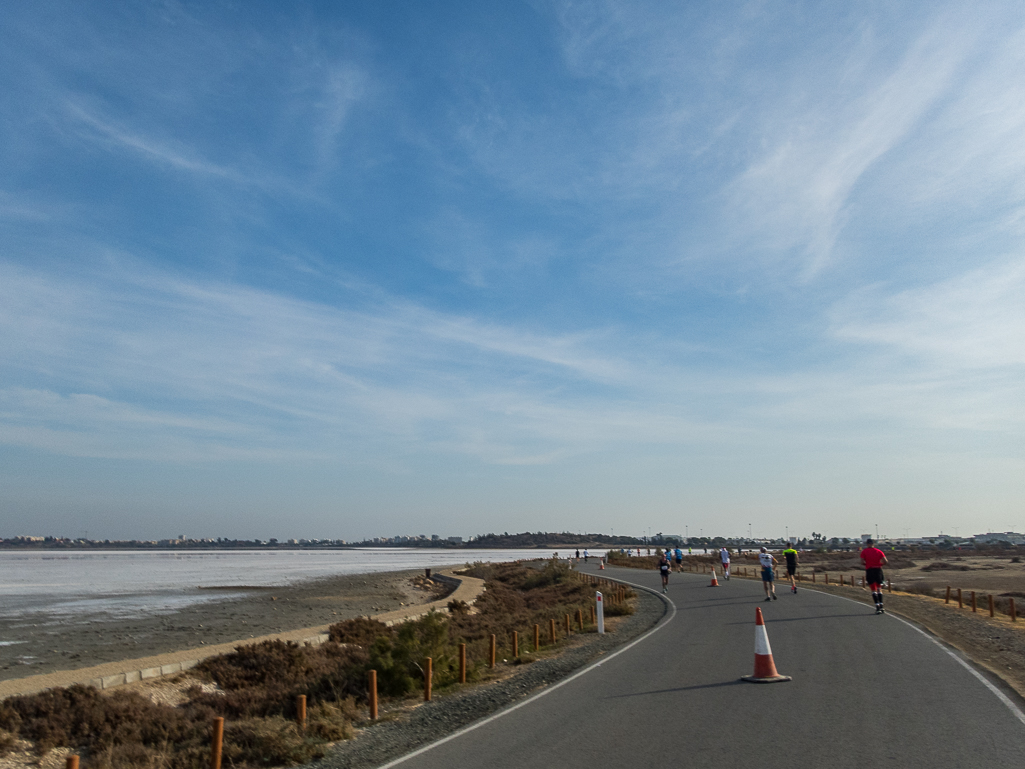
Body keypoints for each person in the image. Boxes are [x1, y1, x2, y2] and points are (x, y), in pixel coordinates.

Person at [860, 539, 889, 614]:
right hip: (878, 570)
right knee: (879, 588)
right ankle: (882, 606)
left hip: (870, 570)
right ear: (873, 543)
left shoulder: (864, 552)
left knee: (873, 590)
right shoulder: (879, 551)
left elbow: (862, 561)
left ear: (867, 544)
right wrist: (880, 564)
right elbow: (885, 561)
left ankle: (877, 607)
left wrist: (867, 564)